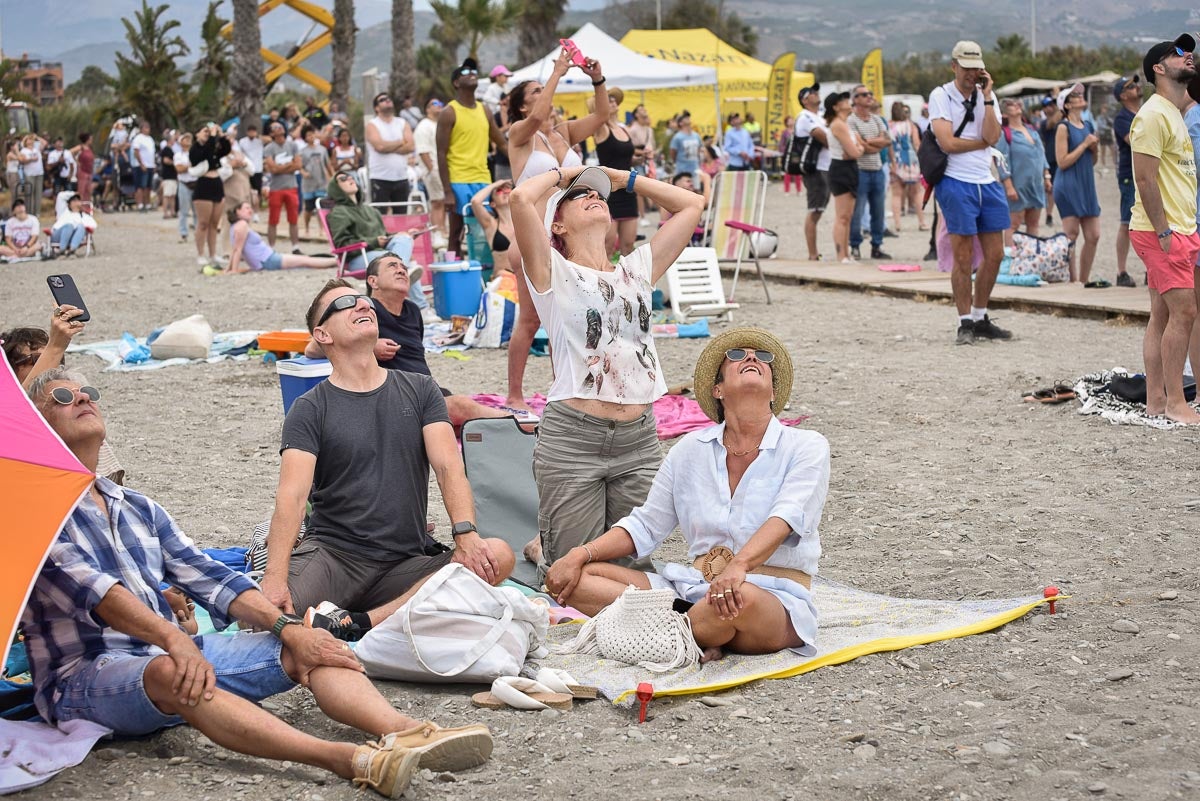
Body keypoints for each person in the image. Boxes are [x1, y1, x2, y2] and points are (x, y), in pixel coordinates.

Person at [22, 367, 493, 798]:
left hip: (163, 652)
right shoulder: (34, 511)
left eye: (90, 392)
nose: (82, 398)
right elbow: (101, 595)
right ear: (36, 424)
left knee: (314, 644)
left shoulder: (135, 506)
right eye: (63, 396)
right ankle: (347, 758)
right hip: (84, 675)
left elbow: (211, 578)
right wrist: (174, 638)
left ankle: (406, 731)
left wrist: (288, 628)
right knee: (173, 671)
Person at [544, 328, 826, 661]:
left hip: (770, 597)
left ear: (773, 390)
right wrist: (582, 554)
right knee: (577, 580)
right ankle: (696, 630)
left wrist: (740, 566)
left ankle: (669, 631)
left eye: (762, 357)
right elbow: (646, 526)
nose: (751, 357)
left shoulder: (807, 446)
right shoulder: (690, 450)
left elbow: (786, 517)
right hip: (693, 591)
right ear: (718, 389)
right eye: (737, 355)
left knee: (740, 599)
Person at [260, 279, 516, 641]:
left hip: (406, 562)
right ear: (322, 334)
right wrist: (273, 578)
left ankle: (360, 623)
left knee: (498, 554)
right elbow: (292, 497)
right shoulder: (309, 408)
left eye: (364, 301)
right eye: (346, 303)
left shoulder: (420, 389)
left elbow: (448, 467)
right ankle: (383, 616)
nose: (362, 305)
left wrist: (466, 533)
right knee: (260, 616)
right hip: (336, 556)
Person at [509, 164, 704, 573]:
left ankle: (547, 547)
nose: (594, 197)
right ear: (557, 227)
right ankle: (544, 551)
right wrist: (563, 175)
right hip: (573, 438)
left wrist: (624, 180)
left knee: (629, 564)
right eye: (579, 198)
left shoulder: (636, 270)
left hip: (638, 440)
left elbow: (692, 205)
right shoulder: (551, 270)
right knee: (571, 577)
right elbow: (520, 199)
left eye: (598, 195)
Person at [501, 47, 608, 411]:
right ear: (519, 107)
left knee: (569, 320)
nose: (543, 95)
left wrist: (597, 78)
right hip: (532, 238)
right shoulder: (519, 133)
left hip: (565, 235)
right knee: (530, 320)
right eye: (534, 92)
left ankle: (562, 387)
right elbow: (538, 115)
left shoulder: (561, 134)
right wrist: (557, 72)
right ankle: (514, 393)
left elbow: (604, 114)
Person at [304, 253, 522, 426]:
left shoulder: (413, 310)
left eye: (403, 267)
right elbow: (313, 348)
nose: (401, 270)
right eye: (392, 266)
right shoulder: (366, 311)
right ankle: (519, 426)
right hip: (394, 394)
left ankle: (508, 426)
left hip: (425, 389)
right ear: (373, 281)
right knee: (462, 407)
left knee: (464, 420)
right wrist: (373, 346)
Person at [1129, 34, 1200, 424]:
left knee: (1162, 314)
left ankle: (1156, 400)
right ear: (1158, 68)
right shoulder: (1153, 114)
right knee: (1185, 311)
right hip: (1162, 230)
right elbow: (1145, 179)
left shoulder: (1175, 110)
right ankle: (1176, 403)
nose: (1187, 55)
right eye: (1177, 52)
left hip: (1180, 227)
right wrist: (1162, 232)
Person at [928, 40, 1011, 345]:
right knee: (962, 257)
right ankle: (964, 321)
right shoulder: (941, 94)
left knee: (996, 254)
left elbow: (993, 136)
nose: (971, 73)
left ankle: (980, 315)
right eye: (966, 67)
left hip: (985, 180)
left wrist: (987, 97)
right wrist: (981, 143)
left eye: (976, 67)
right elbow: (947, 143)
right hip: (954, 180)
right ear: (954, 66)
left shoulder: (986, 97)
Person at [323, 170, 430, 311]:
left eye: (351, 176)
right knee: (402, 263)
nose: (350, 179)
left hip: (380, 253)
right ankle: (422, 307)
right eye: (343, 178)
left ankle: (404, 272)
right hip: (357, 257)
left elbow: (383, 235)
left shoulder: (371, 211)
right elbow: (342, 244)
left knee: (403, 238)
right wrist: (374, 242)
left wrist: (401, 235)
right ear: (335, 188)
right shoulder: (338, 212)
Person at [437, 58, 508, 255]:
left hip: (483, 179)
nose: (472, 73)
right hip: (458, 180)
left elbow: (501, 142)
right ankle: (453, 275)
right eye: (465, 72)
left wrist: (522, 160)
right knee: (456, 233)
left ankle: (490, 275)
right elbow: (440, 153)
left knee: (489, 230)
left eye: (474, 71)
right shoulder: (448, 112)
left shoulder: (484, 109)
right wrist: (447, 191)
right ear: (456, 83)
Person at [1053, 83, 1103, 284]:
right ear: (1066, 105)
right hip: (1068, 185)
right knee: (1071, 235)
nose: (1080, 96)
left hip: (1086, 184)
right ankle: (1073, 281)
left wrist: (1094, 149)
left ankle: (1084, 279)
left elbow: (1092, 162)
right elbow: (1062, 162)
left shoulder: (1088, 126)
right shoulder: (1063, 127)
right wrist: (1084, 145)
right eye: (1074, 95)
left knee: (1094, 235)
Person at [224, 202, 336, 274]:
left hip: (267, 258)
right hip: (267, 260)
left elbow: (235, 249)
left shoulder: (236, 226)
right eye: (247, 208)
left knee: (304, 261)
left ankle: (335, 261)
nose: (250, 210)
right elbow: (237, 249)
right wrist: (233, 270)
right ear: (238, 211)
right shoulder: (242, 225)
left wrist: (228, 269)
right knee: (305, 261)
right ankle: (336, 261)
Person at [996, 97, 1052, 244]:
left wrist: (1046, 176)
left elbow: (1042, 154)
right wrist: (1008, 186)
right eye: (1010, 105)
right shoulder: (1005, 134)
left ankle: (1029, 257)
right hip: (1017, 186)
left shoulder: (1032, 130)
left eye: (1016, 103)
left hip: (1036, 185)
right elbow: (1002, 161)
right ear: (1005, 114)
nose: (1016, 105)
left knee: (1033, 224)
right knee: (1013, 224)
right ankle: (1010, 260)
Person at [593, 87, 641, 255]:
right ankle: (603, 280)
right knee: (608, 244)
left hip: (627, 190)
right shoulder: (601, 128)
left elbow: (625, 158)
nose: (612, 102)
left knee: (628, 245)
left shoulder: (623, 129)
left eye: (613, 100)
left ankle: (627, 281)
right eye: (608, 100)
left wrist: (639, 159)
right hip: (609, 190)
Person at [847, 86, 892, 260]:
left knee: (878, 211)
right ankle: (855, 245)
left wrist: (869, 143)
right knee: (857, 211)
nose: (869, 97)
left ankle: (877, 245)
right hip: (860, 171)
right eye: (864, 95)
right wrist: (876, 143)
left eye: (870, 94)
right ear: (855, 99)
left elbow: (887, 140)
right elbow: (859, 145)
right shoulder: (851, 121)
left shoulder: (877, 119)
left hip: (877, 169)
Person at [825, 91, 862, 264]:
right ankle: (841, 255)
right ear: (836, 106)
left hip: (848, 167)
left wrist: (858, 149)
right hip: (841, 168)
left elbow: (858, 148)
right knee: (842, 216)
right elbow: (855, 151)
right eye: (844, 100)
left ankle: (846, 254)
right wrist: (858, 149)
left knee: (848, 214)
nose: (848, 102)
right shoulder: (838, 124)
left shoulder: (845, 123)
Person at [793, 85, 830, 261]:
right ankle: (812, 253)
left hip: (825, 167)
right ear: (804, 100)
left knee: (819, 209)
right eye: (812, 93)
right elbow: (826, 138)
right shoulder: (804, 117)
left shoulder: (819, 116)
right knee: (814, 210)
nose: (816, 94)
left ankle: (814, 252)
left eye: (816, 92)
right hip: (815, 169)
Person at [1113, 74, 1143, 287]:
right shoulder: (1122, 119)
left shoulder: (1143, 113)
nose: (1137, 87)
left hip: (1146, 172)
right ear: (1123, 96)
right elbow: (1135, 142)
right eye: (1131, 86)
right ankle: (1121, 271)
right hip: (1128, 175)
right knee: (1127, 222)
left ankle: (1151, 270)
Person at [189, 122, 232, 269]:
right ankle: (201, 254)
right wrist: (212, 138)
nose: (207, 133)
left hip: (216, 184)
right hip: (203, 186)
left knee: (214, 223)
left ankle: (213, 254)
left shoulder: (213, 146)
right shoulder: (195, 149)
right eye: (204, 131)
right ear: (197, 134)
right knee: (203, 223)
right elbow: (205, 155)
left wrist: (221, 135)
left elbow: (226, 149)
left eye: (209, 131)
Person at [364, 92, 415, 209]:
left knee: (401, 217)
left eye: (389, 98)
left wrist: (388, 146)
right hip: (380, 178)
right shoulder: (372, 125)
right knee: (380, 217)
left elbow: (411, 146)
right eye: (382, 100)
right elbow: (380, 147)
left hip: (401, 177)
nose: (387, 100)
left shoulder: (402, 122)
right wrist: (401, 142)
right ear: (376, 108)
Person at [262, 122, 302, 253]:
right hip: (276, 188)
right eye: (275, 127)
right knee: (273, 219)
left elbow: (298, 165)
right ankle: (271, 247)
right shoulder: (269, 148)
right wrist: (289, 166)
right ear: (271, 133)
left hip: (291, 186)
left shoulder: (293, 145)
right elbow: (272, 169)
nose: (279, 129)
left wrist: (280, 168)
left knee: (293, 218)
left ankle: (295, 247)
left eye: (280, 126)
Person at [888, 101, 926, 233]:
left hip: (895, 161)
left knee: (896, 195)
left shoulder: (889, 125)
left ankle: (898, 224)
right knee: (917, 193)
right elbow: (916, 144)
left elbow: (888, 144)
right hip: (911, 161)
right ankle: (921, 222)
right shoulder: (910, 125)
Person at [413, 98, 446, 241]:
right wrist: (431, 170)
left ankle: (443, 230)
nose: (439, 106)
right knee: (437, 201)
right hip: (433, 169)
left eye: (441, 104)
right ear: (427, 109)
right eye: (434, 104)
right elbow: (423, 150)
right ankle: (437, 232)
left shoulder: (441, 124)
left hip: (444, 168)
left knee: (444, 201)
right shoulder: (423, 126)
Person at [299, 125, 332, 236]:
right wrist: (304, 173)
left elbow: (328, 165)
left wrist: (332, 177)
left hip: (321, 182)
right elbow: (299, 166)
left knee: (321, 207)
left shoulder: (322, 150)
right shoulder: (302, 151)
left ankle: (321, 229)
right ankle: (307, 228)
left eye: (312, 134)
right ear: (305, 137)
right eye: (308, 135)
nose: (311, 136)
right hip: (308, 184)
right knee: (308, 208)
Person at [48, 193, 96, 257]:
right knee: (69, 226)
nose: (76, 202)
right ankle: (62, 250)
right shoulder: (63, 211)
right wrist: (74, 192)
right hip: (58, 235)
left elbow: (93, 225)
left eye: (78, 200)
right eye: (74, 200)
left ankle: (71, 251)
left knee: (81, 227)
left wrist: (82, 224)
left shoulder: (84, 216)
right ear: (69, 204)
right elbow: (61, 196)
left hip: (73, 237)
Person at [1038, 98, 1061, 226]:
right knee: (1050, 189)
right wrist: (1059, 102)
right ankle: (1049, 215)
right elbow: (1052, 122)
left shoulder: (1062, 121)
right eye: (1047, 105)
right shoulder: (1044, 123)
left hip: (1062, 159)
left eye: (1052, 105)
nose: (1050, 108)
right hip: (1050, 160)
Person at [174, 133, 196, 243]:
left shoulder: (195, 153)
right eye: (185, 139)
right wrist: (190, 166)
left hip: (195, 183)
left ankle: (198, 232)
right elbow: (179, 169)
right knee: (184, 211)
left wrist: (187, 166)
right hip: (184, 183)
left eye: (189, 139)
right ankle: (183, 233)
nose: (187, 141)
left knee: (197, 211)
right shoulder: (178, 155)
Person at [237, 124, 265, 211]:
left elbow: (269, 139)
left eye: (253, 131)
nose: (252, 133)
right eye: (250, 131)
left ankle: (257, 209)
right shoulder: (242, 141)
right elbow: (239, 153)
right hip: (246, 168)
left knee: (257, 190)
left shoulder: (260, 140)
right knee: (247, 189)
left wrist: (258, 136)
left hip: (258, 168)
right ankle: (247, 207)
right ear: (247, 132)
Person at [131, 120, 156, 211]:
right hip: (141, 165)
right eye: (145, 128)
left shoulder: (150, 139)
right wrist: (141, 164)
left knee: (148, 186)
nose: (147, 129)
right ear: (141, 129)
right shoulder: (138, 138)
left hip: (150, 165)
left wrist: (153, 164)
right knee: (140, 186)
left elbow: (152, 153)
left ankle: (147, 203)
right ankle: (140, 204)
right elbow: (136, 152)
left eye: (148, 128)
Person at [18, 133, 46, 212]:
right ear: (25, 141)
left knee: (38, 193)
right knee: (30, 193)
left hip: (39, 173)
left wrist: (37, 137)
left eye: (31, 139)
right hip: (29, 174)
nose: (30, 141)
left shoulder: (37, 148)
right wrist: (31, 159)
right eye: (28, 140)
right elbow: (22, 160)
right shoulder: (23, 150)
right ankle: (29, 211)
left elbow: (44, 143)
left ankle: (37, 212)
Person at [158, 130, 178, 219]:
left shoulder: (170, 149)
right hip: (168, 175)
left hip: (173, 175)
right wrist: (175, 163)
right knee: (167, 195)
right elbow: (165, 160)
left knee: (172, 195)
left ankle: (173, 211)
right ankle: (165, 212)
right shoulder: (166, 149)